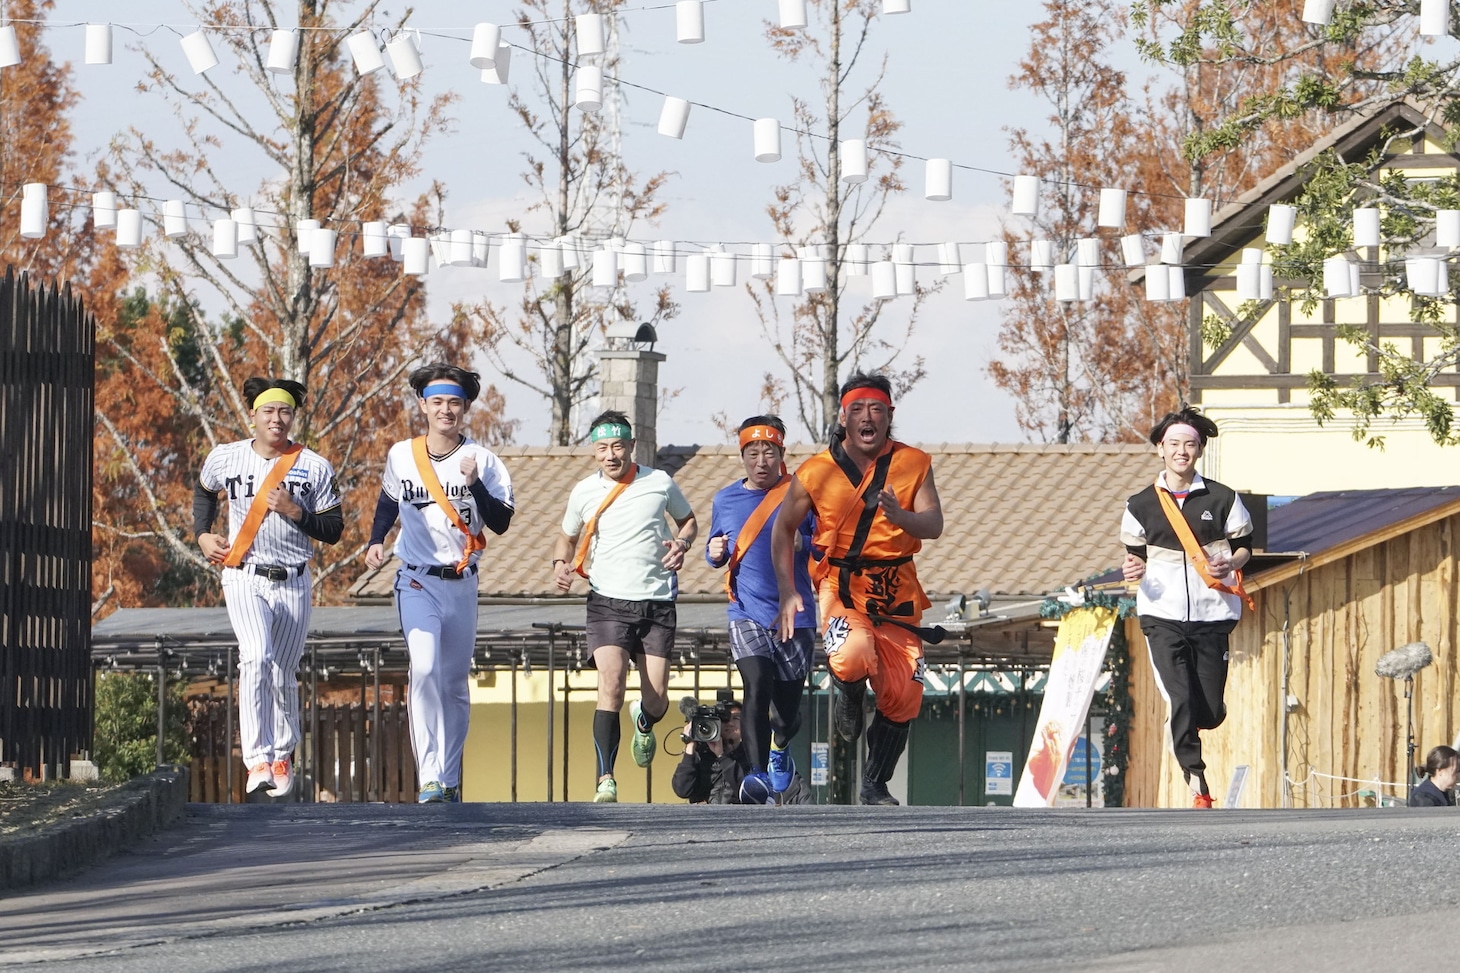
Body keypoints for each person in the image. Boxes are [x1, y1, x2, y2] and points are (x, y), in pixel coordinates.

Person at [773, 372, 944, 806]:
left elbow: (933, 523)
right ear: (843, 417)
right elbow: (783, 528)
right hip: (842, 586)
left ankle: (875, 784)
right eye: (858, 409)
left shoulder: (914, 462)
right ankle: (848, 694)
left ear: (889, 415)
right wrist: (788, 590)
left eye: (876, 409)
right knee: (852, 653)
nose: (867, 418)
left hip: (896, 590)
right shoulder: (816, 471)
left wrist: (901, 517)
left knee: (905, 692)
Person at [365, 363, 515, 804]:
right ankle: (429, 775)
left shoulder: (483, 460)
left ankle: (449, 778)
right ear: (422, 406)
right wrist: (376, 540)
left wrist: (475, 485)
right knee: (425, 669)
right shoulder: (401, 455)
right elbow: (388, 500)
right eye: (437, 402)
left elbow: (501, 521)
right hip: (417, 579)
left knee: (452, 683)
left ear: (465, 408)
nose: (445, 410)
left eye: (453, 402)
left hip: (462, 581)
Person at [195, 377, 343, 800]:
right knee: (256, 657)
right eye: (269, 411)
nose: (276, 419)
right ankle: (257, 759)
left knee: (282, 670)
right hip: (245, 574)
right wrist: (202, 534)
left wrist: (296, 511)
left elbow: (334, 529)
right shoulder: (227, 457)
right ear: (254, 416)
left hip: (293, 577)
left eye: (284, 412)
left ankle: (282, 754)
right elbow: (204, 492)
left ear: (292, 418)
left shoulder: (314, 465)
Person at [553, 410, 697, 803]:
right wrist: (560, 563)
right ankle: (606, 779)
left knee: (657, 699)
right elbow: (566, 537)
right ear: (593, 451)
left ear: (632, 446)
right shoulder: (584, 491)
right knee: (611, 683)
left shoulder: (659, 482)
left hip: (656, 603)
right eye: (602, 448)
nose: (611, 455)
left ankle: (644, 721)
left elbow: (688, 521)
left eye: (618, 446)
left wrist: (682, 544)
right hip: (607, 602)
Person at [1120, 406, 1253, 809]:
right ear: (1160, 448)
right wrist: (1132, 568)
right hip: (1161, 613)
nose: (1181, 451)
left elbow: (1245, 547)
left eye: (1190, 444)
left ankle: (1199, 719)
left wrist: (1231, 562)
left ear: (1199, 450)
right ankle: (1197, 781)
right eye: (1174, 443)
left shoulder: (1223, 497)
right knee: (1179, 697)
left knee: (1208, 711)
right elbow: (1133, 558)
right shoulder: (1140, 504)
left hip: (1214, 612)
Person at [705, 415, 817, 804]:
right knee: (756, 685)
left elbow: (827, 544)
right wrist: (713, 553)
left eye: (769, 453)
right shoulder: (725, 500)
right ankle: (756, 775)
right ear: (742, 457)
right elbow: (715, 550)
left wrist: (805, 544)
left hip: (794, 614)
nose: (761, 461)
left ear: (781, 454)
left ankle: (780, 746)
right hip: (746, 611)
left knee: (785, 714)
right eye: (752, 453)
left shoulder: (802, 494)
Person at [671, 699, 752, 804]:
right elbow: (682, 790)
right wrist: (690, 746)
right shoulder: (701, 754)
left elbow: (746, 790)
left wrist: (721, 756)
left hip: (736, 813)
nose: (730, 723)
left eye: (736, 718)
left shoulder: (750, 756)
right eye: (724, 719)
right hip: (703, 814)